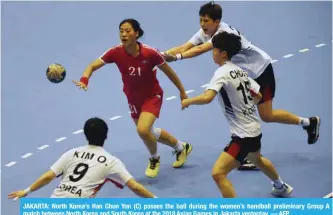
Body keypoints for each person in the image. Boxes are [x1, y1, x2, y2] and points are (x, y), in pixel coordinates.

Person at [163, 1, 320, 170]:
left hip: (260, 70)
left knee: (266, 115)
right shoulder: (205, 31)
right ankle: (248, 153)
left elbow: (198, 50)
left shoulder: (223, 33)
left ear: (217, 22)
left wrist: (177, 58)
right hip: (244, 75)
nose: (202, 24)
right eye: (201, 20)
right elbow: (186, 46)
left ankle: (306, 123)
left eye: (206, 21)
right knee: (244, 112)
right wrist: (161, 55)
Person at [72, 19, 193, 178]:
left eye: (127, 31)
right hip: (132, 98)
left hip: (152, 96)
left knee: (142, 130)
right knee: (149, 132)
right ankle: (181, 147)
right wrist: (84, 79)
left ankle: (154, 158)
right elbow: (93, 65)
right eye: (121, 31)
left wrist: (182, 92)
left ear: (136, 33)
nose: (123, 34)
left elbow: (170, 73)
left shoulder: (150, 53)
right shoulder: (115, 52)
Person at [181, 31, 293, 198]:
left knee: (218, 174)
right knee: (257, 160)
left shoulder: (221, 73)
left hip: (243, 135)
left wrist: (188, 101)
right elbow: (259, 95)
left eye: (214, 50)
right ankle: (280, 186)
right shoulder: (240, 71)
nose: (212, 53)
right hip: (255, 129)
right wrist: (246, 106)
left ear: (223, 53)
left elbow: (207, 97)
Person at [8, 117, 158, 199]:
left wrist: (26, 191)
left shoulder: (72, 153)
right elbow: (135, 187)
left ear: (85, 135)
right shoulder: (111, 161)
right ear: (106, 136)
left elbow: (48, 176)